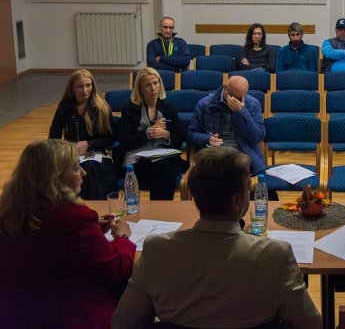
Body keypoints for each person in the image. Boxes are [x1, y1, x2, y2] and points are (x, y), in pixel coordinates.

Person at [112, 146, 322, 329]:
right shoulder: (276, 254)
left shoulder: (157, 250)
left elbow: (122, 322)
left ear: (194, 195)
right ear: (237, 201)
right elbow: (311, 323)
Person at [0, 139, 135, 329]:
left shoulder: (2, 210)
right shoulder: (74, 216)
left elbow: (47, 245)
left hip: (3, 319)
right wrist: (122, 237)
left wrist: (92, 232)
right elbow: (117, 270)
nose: (83, 173)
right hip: (62, 319)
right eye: (76, 168)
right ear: (56, 178)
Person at [117, 68, 188, 200]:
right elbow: (124, 142)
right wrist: (147, 133)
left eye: (156, 83)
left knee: (165, 167)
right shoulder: (129, 110)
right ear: (140, 89)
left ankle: (161, 209)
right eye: (148, 85)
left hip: (164, 157)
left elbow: (179, 140)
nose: (153, 88)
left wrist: (166, 134)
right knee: (160, 170)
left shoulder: (169, 108)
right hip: (138, 159)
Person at [48, 69, 118, 200]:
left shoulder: (102, 107)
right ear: (72, 88)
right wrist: (67, 149)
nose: (85, 90)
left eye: (88, 85)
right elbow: (53, 139)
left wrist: (88, 144)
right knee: (83, 172)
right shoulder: (65, 108)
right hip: (73, 155)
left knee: (95, 171)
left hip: (98, 153)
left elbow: (113, 138)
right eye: (80, 86)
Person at [187, 75, 266, 175]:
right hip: (214, 151)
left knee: (238, 165)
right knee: (214, 166)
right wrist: (207, 139)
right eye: (233, 97)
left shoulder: (253, 104)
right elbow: (191, 134)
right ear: (225, 88)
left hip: (242, 151)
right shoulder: (205, 104)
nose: (237, 101)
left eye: (241, 97)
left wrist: (242, 112)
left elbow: (257, 137)